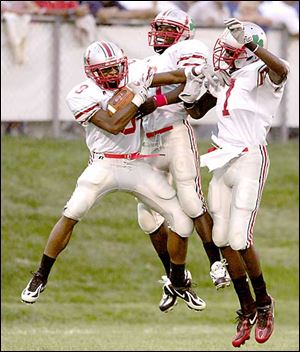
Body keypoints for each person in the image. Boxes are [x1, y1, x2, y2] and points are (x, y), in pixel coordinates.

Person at [20, 40, 206, 313]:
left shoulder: (133, 75)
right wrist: (140, 96)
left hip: (136, 163)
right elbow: (114, 125)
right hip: (104, 164)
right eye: (105, 71)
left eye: (116, 68)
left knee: (182, 222)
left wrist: (196, 72)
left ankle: (178, 281)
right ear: (92, 73)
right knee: (73, 211)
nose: (113, 74)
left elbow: (176, 76)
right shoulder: (82, 93)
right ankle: (40, 276)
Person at [179, 18, 289, 347]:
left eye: (231, 50)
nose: (223, 55)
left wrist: (252, 46)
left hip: (249, 157)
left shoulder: (260, 73)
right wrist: (195, 84)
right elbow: (196, 111)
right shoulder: (226, 78)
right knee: (222, 238)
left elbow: (281, 69)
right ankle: (246, 308)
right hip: (222, 159)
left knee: (240, 238)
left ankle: (265, 304)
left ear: (246, 52)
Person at [134, 8, 232, 314]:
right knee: (148, 217)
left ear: (183, 33)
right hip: (148, 140)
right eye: (159, 27)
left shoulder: (188, 48)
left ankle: (217, 262)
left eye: (168, 28)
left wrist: (157, 100)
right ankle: (177, 278)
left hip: (175, 132)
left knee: (191, 200)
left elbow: (190, 88)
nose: (161, 33)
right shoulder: (148, 62)